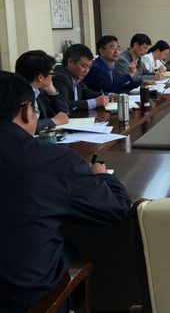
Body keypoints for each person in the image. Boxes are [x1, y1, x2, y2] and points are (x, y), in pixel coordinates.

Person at [0, 71, 131, 313]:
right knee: (67, 250)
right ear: (27, 111)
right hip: (24, 302)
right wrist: (102, 176)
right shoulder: (53, 161)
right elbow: (116, 209)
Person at [15, 50, 69, 133]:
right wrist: (53, 121)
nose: (52, 77)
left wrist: (52, 91)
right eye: (51, 74)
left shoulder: (38, 92)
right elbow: (22, 126)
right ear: (40, 77)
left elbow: (63, 114)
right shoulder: (16, 95)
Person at [53, 44, 116, 111]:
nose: (86, 71)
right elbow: (64, 105)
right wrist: (94, 102)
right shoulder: (60, 77)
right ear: (70, 61)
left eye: (89, 67)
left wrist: (109, 96)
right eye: (84, 66)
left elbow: (87, 94)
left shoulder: (75, 75)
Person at [83, 35, 152, 93]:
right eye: (112, 48)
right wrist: (130, 74)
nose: (116, 52)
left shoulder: (110, 65)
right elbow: (110, 88)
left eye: (118, 48)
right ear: (101, 51)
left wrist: (141, 82)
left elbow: (119, 83)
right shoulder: (95, 67)